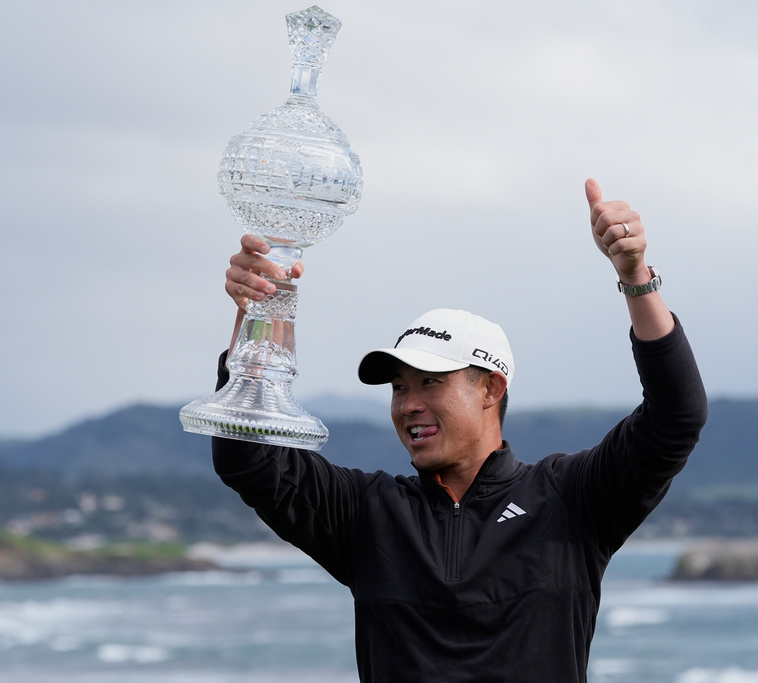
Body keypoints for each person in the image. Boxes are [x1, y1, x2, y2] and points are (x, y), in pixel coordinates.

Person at [211, 178, 708, 682]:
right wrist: (257, 313)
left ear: (490, 389)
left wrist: (635, 276)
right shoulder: (368, 513)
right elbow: (248, 458)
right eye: (399, 388)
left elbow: (676, 415)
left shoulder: (570, 499)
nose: (409, 405)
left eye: (430, 382)